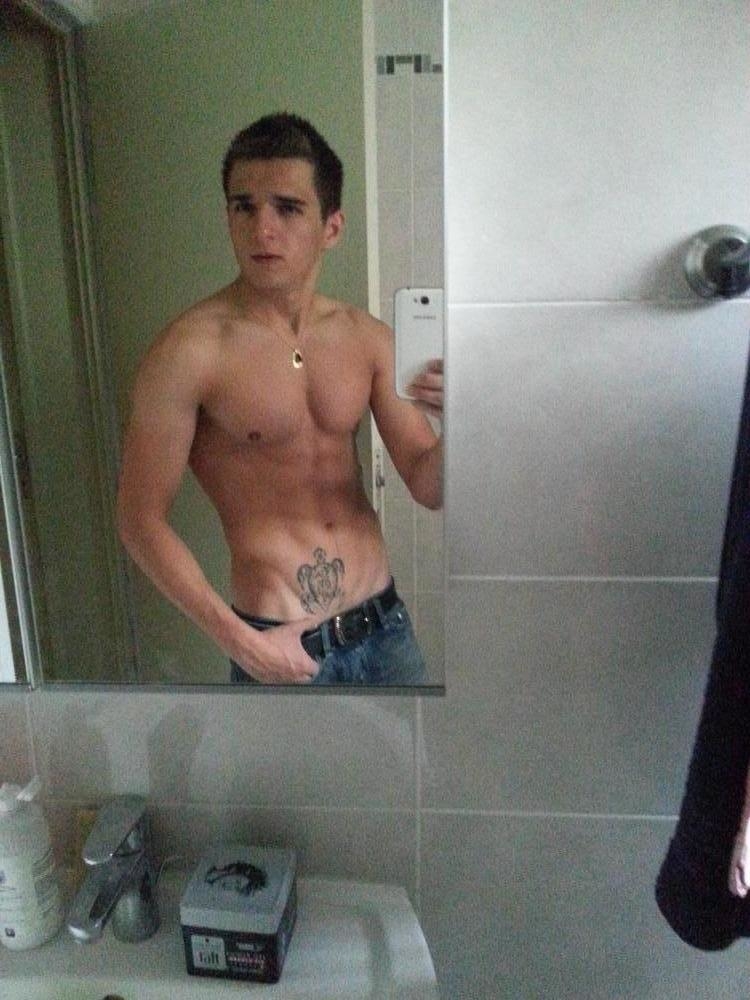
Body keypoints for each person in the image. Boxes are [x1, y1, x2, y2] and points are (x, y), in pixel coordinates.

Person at [116, 113, 443, 686]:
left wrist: (464, 424)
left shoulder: (367, 339)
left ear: (331, 227)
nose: (262, 229)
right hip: (278, 648)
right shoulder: (189, 353)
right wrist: (243, 646)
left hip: (385, 630)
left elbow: (428, 484)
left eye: (288, 208)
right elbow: (139, 519)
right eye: (244, 207)